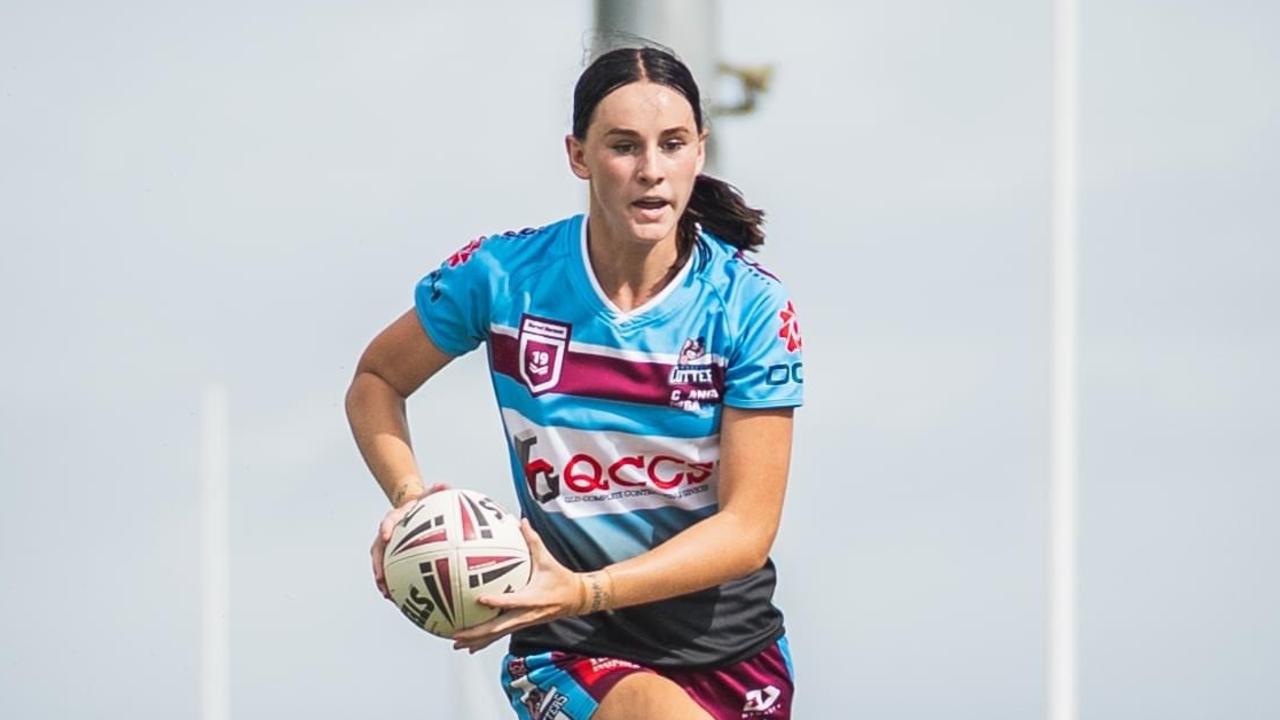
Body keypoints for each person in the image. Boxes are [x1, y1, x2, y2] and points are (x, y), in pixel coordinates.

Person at [345, 45, 804, 720]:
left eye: (672, 144)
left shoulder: (750, 306)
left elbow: (746, 528)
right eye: (624, 146)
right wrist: (412, 503)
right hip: (570, 644)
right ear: (578, 155)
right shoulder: (505, 276)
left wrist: (587, 588)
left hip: (730, 649)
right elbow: (377, 377)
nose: (651, 171)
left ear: (699, 151)